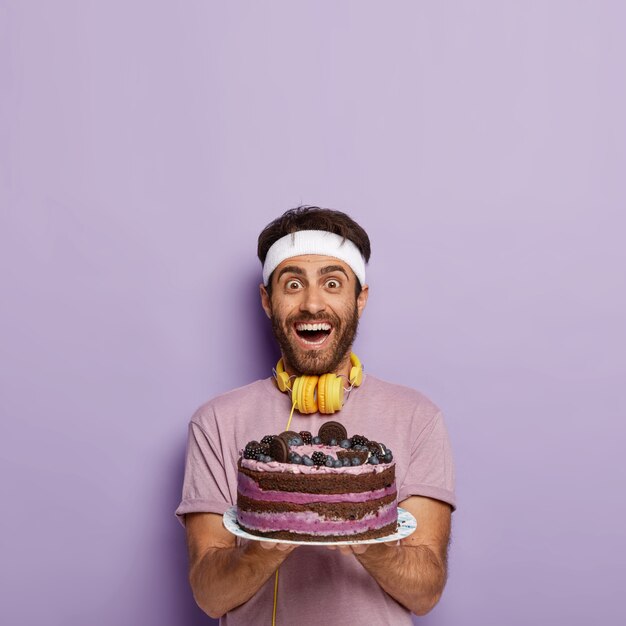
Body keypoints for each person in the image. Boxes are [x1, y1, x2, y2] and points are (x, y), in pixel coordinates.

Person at [176, 206, 456, 624]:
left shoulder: (418, 417)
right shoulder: (215, 421)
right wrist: (278, 525)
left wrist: (356, 523)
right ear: (268, 301)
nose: (311, 303)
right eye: (293, 284)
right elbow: (211, 596)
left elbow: (425, 592)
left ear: (359, 299)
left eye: (331, 283)